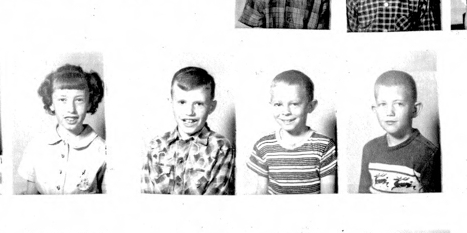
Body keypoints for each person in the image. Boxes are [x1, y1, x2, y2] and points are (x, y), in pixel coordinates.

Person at [141, 66, 234, 194]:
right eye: (182, 102)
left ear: (211, 107)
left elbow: (214, 205)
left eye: (199, 104)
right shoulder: (156, 146)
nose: (189, 112)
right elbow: (146, 200)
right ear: (171, 103)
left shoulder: (221, 148)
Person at [19, 64, 106, 194]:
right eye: (62, 100)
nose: (71, 109)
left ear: (89, 103)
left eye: (79, 100)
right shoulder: (36, 147)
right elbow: (30, 198)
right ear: (51, 103)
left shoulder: (102, 151)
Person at [247, 70, 337, 194]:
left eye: (294, 104)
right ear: (271, 105)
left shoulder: (325, 146)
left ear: (310, 106)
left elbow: (328, 196)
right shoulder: (263, 146)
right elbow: (261, 192)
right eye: (278, 104)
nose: (285, 112)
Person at [359, 70, 440, 194]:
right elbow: (361, 198)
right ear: (375, 109)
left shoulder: (427, 154)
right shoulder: (370, 149)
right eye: (382, 104)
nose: (389, 112)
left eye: (398, 104)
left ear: (415, 110)